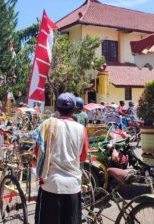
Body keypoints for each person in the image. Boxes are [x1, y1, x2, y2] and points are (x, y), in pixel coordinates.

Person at [34, 93, 89, 224]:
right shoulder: (82, 129)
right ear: (74, 109)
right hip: (73, 187)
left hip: (51, 185)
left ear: (56, 108)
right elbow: (83, 157)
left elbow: (38, 153)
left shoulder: (47, 125)